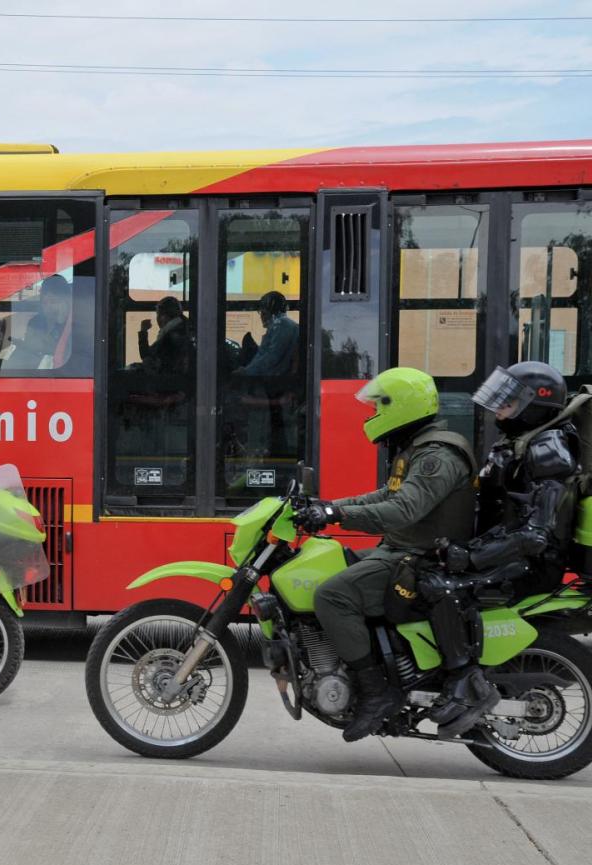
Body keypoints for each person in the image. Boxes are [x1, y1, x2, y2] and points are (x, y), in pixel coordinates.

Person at [293, 367, 476, 742]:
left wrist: (337, 514)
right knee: (334, 564)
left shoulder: (436, 455)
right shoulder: (418, 447)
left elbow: (403, 510)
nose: (373, 414)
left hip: (420, 556)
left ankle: (377, 693)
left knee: (331, 595)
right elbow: (385, 495)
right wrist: (328, 506)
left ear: (402, 405)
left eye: (379, 406)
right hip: (403, 548)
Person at [423, 361, 580, 737]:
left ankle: (466, 683)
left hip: (532, 564)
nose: (498, 410)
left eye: (508, 403)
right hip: (511, 553)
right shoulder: (517, 443)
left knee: (438, 586)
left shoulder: (547, 450)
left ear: (535, 404)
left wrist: (472, 557)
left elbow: (535, 534)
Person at [7, 275, 72, 370]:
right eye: (45, 302)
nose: (48, 307)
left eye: (53, 301)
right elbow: (29, 351)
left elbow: (65, 355)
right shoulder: (35, 322)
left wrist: (62, 318)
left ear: (65, 301)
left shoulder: (72, 327)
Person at [242, 291, 299, 377]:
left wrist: (246, 372)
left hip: (275, 382)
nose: (261, 317)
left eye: (263, 313)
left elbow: (271, 358)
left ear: (272, 312)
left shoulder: (282, 325)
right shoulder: (282, 325)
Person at [137, 296, 189, 373]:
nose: (157, 319)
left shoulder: (170, 336)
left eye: (158, 314)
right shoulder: (183, 327)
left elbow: (146, 356)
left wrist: (143, 331)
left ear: (164, 316)